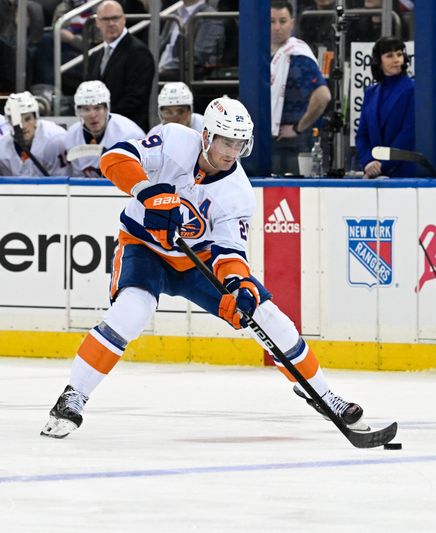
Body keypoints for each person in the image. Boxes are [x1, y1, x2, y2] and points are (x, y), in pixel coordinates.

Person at [40, 96, 368, 439]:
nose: (232, 151)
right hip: (144, 249)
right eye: (226, 141)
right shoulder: (174, 139)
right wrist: (147, 191)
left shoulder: (238, 193)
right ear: (208, 135)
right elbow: (115, 158)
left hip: (200, 263)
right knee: (131, 311)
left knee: (267, 314)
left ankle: (322, 394)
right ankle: (72, 397)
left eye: (240, 143)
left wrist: (239, 287)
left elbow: (228, 254)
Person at [270, 0, 331, 175]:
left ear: (292, 23)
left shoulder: (298, 55)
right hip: (268, 139)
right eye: (272, 21)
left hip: (294, 142)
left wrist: (298, 127)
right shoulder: (262, 53)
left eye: (282, 21)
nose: (277, 27)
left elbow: (323, 95)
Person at [87, 0, 155, 131]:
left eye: (115, 18)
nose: (111, 23)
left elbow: (136, 98)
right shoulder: (96, 55)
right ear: (97, 22)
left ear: (123, 19)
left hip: (128, 131)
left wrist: (104, 118)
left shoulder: (139, 52)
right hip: (100, 130)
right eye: (106, 19)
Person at [355, 37, 416, 178]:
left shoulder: (413, 90)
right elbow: (362, 135)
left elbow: (408, 134)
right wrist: (368, 162)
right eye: (389, 56)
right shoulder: (370, 93)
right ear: (378, 62)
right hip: (375, 173)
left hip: (403, 174)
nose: (396, 60)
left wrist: (382, 165)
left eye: (399, 54)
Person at [64, 80, 145, 177]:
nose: (92, 115)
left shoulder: (130, 134)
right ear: (78, 112)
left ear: (107, 109)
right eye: (86, 109)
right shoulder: (72, 135)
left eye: (97, 108)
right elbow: (75, 178)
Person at [0, 91, 68, 177]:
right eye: (16, 121)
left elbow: (63, 183)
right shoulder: (2, 147)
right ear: (8, 122)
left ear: (36, 118)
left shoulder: (55, 139)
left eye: (27, 119)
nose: (23, 126)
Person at [157, 0, 225, 81]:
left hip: (185, 74)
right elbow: (161, 45)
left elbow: (199, 55)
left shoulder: (210, 17)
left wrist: (164, 68)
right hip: (162, 70)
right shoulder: (174, 14)